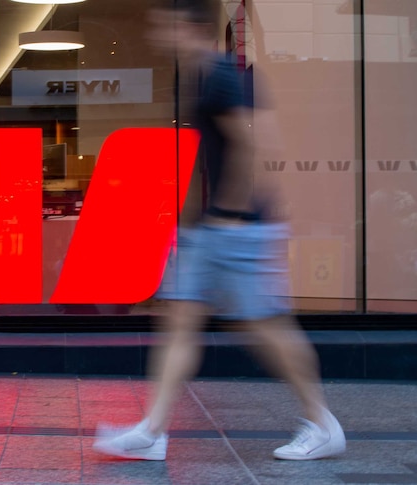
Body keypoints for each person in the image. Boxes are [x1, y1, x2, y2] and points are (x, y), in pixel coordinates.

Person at [93, 0, 346, 461]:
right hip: (210, 229)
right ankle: (152, 432)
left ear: (184, 26)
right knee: (181, 321)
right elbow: (207, 154)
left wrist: (230, 212)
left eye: (160, 23)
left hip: (237, 226)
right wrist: (193, 218)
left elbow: (256, 142)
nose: (154, 32)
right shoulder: (196, 75)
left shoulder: (221, 74)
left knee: (265, 324)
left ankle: (322, 422)